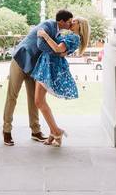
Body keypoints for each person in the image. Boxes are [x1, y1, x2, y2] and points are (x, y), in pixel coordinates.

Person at [2, 9, 74, 146]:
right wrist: (56, 52)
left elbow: (59, 48)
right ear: (62, 21)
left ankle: (35, 131)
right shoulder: (47, 25)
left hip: (34, 67)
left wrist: (61, 51)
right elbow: (41, 44)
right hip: (21, 60)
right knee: (12, 96)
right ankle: (6, 131)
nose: (70, 25)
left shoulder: (59, 33)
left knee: (34, 99)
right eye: (69, 22)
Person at [32, 17, 91, 147]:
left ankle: (56, 131)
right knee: (39, 101)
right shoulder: (71, 36)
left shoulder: (74, 37)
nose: (70, 22)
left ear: (79, 26)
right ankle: (54, 132)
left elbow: (58, 49)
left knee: (39, 101)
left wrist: (45, 35)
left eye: (74, 21)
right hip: (46, 64)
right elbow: (61, 51)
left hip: (50, 67)